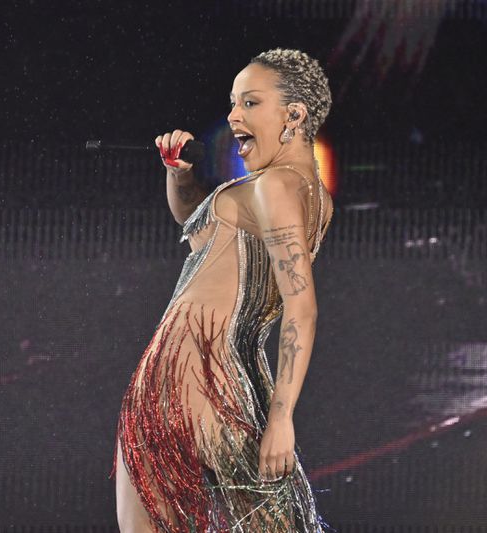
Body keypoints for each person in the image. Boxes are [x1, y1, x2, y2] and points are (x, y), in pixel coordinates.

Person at [110, 48, 334, 532]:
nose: (233, 115)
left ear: (294, 114)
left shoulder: (275, 187)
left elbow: (302, 308)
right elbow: (199, 232)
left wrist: (282, 419)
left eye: (250, 103)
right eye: (233, 103)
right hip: (210, 385)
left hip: (203, 385)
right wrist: (180, 176)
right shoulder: (297, 191)